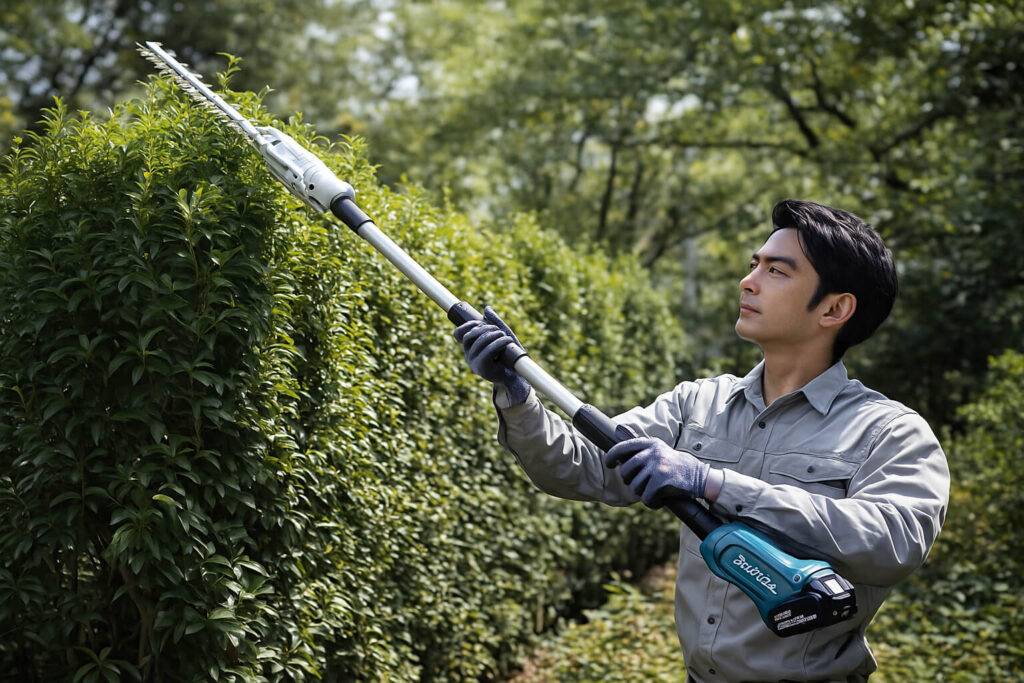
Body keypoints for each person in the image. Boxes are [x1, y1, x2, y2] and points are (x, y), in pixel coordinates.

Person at [453, 199, 949, 682]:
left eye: (777, 271)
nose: (747, 280)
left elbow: (892, 542)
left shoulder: (889, 432)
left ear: (835, 308)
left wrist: (713, 483)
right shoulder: (699, 404)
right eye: (754, 264)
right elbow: (584, 468)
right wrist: (516, 395)